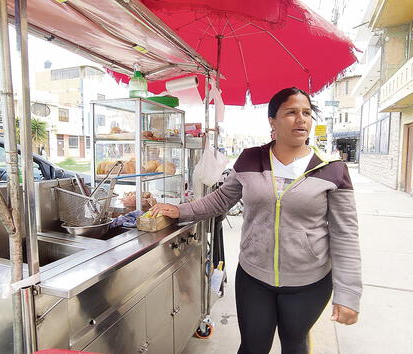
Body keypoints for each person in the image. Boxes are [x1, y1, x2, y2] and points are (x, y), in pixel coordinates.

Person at [151, 87, 362, 354]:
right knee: (252, 346)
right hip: (254, 277)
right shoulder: (250, 159)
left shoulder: (333, 169)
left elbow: (345, 235)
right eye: (291, 112)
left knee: (295, 344)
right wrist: (180, 210)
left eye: (306, 113)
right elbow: (220, 201)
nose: (301, 119)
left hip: (308, 283)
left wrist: (348, 294)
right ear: (272, 121)